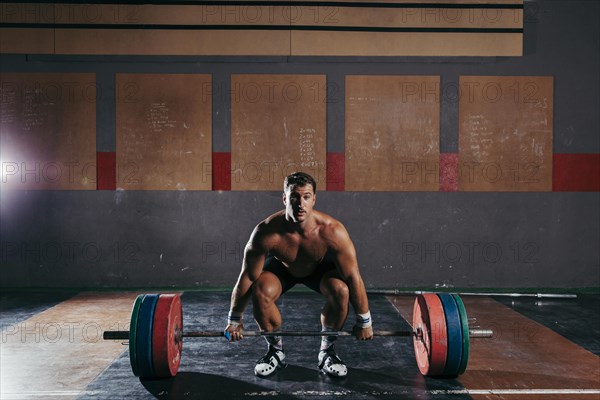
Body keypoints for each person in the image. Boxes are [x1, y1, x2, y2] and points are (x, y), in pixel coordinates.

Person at [224, 172, 373, 378]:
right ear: (285, 198)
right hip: (282, 269)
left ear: (314, 199)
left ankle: (327, 352)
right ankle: (275, 352)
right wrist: (234, 319)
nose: (300, 204)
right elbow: (247, 276)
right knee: (260, 289)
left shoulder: (333, 231)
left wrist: (364, 321)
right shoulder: (266, 232)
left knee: (341, 290)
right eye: (294, 197)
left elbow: (353, 276)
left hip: (318, 270)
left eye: (306, 197)